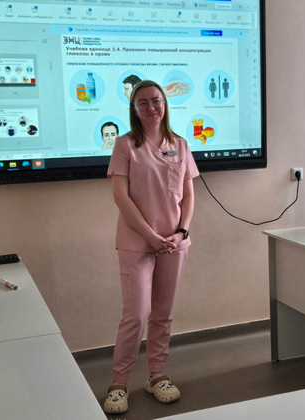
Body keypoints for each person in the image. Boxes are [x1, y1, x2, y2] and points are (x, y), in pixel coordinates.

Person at [104, 80, 199, 414]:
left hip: (174, 244)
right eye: (142, 103)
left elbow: (188, 196)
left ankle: (157, 375)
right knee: (136, 315)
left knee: (163, 313)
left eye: (156, 101)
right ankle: (119, 383)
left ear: (165, 104)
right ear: (134, 109)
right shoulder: (125, 145)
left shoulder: (180, 144)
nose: (151, 107)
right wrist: (150, 236)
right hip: (137, 244)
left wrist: (181, 232)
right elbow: (121, 197)